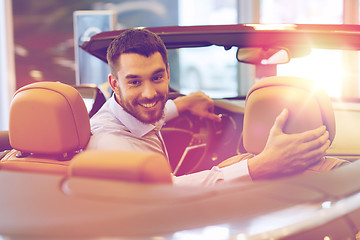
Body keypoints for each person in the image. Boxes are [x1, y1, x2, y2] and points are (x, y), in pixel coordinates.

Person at [87, 28, 330, 185]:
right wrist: (258, 166)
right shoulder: (111, 143)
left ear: (168, 73)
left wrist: (183, 104)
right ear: (114, 84)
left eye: (157, 78)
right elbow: (167, 193)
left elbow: (148, 117)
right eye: (135, 82)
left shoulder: (125, 113)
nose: (149, 93)